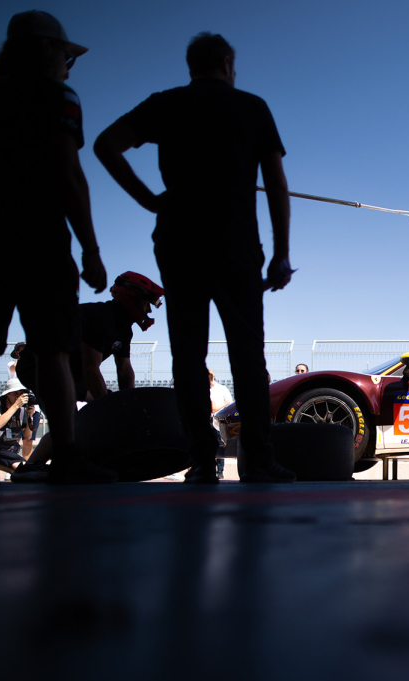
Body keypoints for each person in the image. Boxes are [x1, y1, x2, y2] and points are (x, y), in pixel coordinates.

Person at [95, 32, 295, 484]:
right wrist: (281, 253)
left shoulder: (165, 104)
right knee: (248, 354)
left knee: (187, 352)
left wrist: (150, 200)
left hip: (179, 241)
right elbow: (277, 185)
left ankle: (203, 460)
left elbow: (107, 144)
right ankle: (258, 463)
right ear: (227, 63)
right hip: (235, 244)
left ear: (192, 65)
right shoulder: (252, 107)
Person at [0, 10, 114, 487]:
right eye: (66, 55)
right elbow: (68, 173)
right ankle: (65, 455)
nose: (68, 65)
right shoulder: (57, 96)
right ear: (45, 49)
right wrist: (91, 248)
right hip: (42, 240)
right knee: (54, 352)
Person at [12, 271, 163, 481]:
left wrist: (131, 409)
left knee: (100, 407)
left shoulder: (124, 329)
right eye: (148, 303)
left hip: (72, 373)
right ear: (133, 298)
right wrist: (110, 411)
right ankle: (30, 467)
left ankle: (66, 461)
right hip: (38, 366)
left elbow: (125, 372)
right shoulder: (100, 318)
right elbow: (91, 369)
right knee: (70, 423)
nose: (148, 310)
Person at [0, 377, 38, 474]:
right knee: (22, 468)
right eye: (15, 393)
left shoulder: (22, 410)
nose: (19, 396)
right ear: (7, 394)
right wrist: (15, 406)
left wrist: (29, 416)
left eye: (21, 393)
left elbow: (27, 436)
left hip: (9, 450)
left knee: (20, 469)